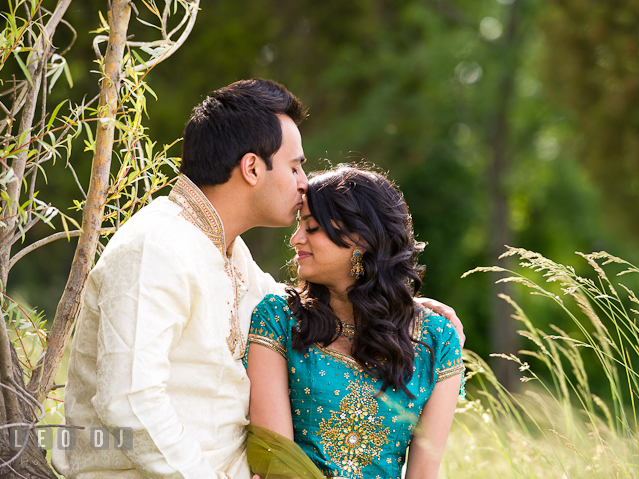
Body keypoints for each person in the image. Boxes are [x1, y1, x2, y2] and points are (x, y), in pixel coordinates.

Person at [53, 80, 463, 479]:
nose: (305, 183)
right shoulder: (155, 247)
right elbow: (129, 401)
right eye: (295, 165)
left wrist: (398, 303)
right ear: (252, 167)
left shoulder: (226, 250)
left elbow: (307, 304)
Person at [246, 166, 464, 479]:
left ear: (360, 239)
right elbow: (279, 464)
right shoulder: (278, 319)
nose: (295, 239)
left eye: (311, 227)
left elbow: (424, 473)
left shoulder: (436, 339)